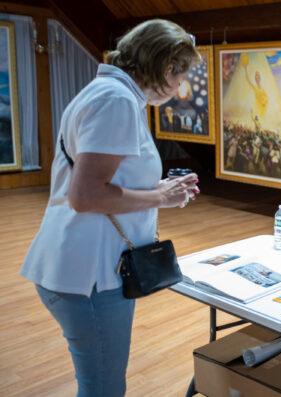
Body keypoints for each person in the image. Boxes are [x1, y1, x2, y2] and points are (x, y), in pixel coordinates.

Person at [20, 20, 200, 397]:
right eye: (182, 74)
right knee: (103, 388)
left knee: (99, 382)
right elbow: (84, 196)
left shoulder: (110, 93)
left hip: (80, 267)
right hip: (90, 276)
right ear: (167, 68)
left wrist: (159, 189)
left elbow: (101, 181)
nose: (180, 85)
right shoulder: (116, 100)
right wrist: (160, 197)